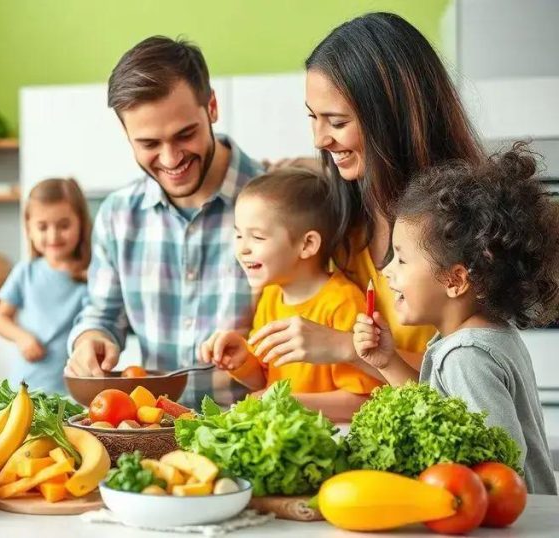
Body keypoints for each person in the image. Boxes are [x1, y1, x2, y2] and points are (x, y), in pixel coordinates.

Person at [247, 12, 483, 381]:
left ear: (391, 119)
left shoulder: (462, 227)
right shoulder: (342, 216)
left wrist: (345, 347)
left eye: (338, 122)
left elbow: (473, 373)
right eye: (313, 117)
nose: (320, 140)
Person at [63, 36, 263, 407]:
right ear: (126, 135)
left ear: (212, 107)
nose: (171, 159)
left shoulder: (282, 206)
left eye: (185, 134)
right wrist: (91, 338)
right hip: (154, 431)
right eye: (149, 144)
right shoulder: (117, 216)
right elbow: (103, 313)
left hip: (252, 434)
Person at [353, 145, 559, 494]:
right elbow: (442, 418)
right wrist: (388, 363)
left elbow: (500, 464)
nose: (386, 271)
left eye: (401, 260)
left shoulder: (468, 357)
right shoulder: (482, 335)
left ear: (455, 280)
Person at [199, 167, 382, 422]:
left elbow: (363, 401)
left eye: (257, 237)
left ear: (307, 245)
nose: (242, 249)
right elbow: (263, 380)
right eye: (238, 234)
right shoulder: (272, 295)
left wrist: (289, 402)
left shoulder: (342, 303)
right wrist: (242, 361)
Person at [0, 178, 91, 394]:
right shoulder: (25, 272)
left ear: (81, 223)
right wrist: (22, 338)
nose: (53, 235)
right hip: (24, 388)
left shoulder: (91, 277)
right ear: (29, 228)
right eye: (42, 227)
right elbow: (0, 318)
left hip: (73, 393)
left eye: (64, 225)